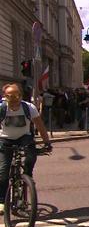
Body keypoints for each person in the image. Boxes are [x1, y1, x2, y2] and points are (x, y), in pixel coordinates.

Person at [0, 84, 52, 215]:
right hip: (5, 139)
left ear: (21, 96)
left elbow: (40, 126)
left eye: (16, 95)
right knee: (3, 172)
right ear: (5, 97)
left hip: (24, 137)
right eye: (10, 96)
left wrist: (47, 142)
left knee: (30, 156)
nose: (13, 99)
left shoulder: (29, 108)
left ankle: (27, 176)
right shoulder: (1, 108)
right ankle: (1, 201)